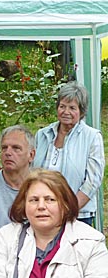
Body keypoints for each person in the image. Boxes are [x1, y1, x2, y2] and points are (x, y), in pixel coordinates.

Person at [33, 81, 105, 226]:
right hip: (42, 211)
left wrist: (69, 209)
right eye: (62, 106)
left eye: (72, 108)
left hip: (77, 214)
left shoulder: (92, 137)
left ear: (82, 112)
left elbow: (92, 181)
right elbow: (31, 172)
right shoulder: (42, 135)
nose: (66, 112)